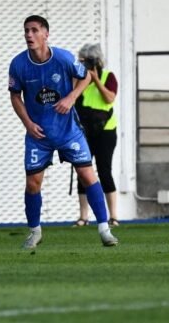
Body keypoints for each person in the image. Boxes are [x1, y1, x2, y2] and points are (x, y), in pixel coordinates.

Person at [8, 15, 118, 250]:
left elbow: (86, 76)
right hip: (39, 135)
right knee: (32, 183)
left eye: (35, 30)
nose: (29, 34)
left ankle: (104, 229)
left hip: (69, 131)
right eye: (26, 30)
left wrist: (71, 97)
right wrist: (27, 123)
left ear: (46, 34)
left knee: (88, 175)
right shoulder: (18, 64)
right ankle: (35, 232)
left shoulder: (63, 58)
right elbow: (15, 96)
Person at [73, 43, 120, 227]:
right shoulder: (79, 79)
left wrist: (96, 80)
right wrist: (84, 80)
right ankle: (83, 216)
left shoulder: (109, 77)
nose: (85, 64)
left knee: (104, 171)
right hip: (85, 131)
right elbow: (73, 97)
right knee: (82, 171)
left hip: (106, 131)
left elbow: (109, 98)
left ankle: (113, 216)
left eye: (88, 61)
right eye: (82, 61)